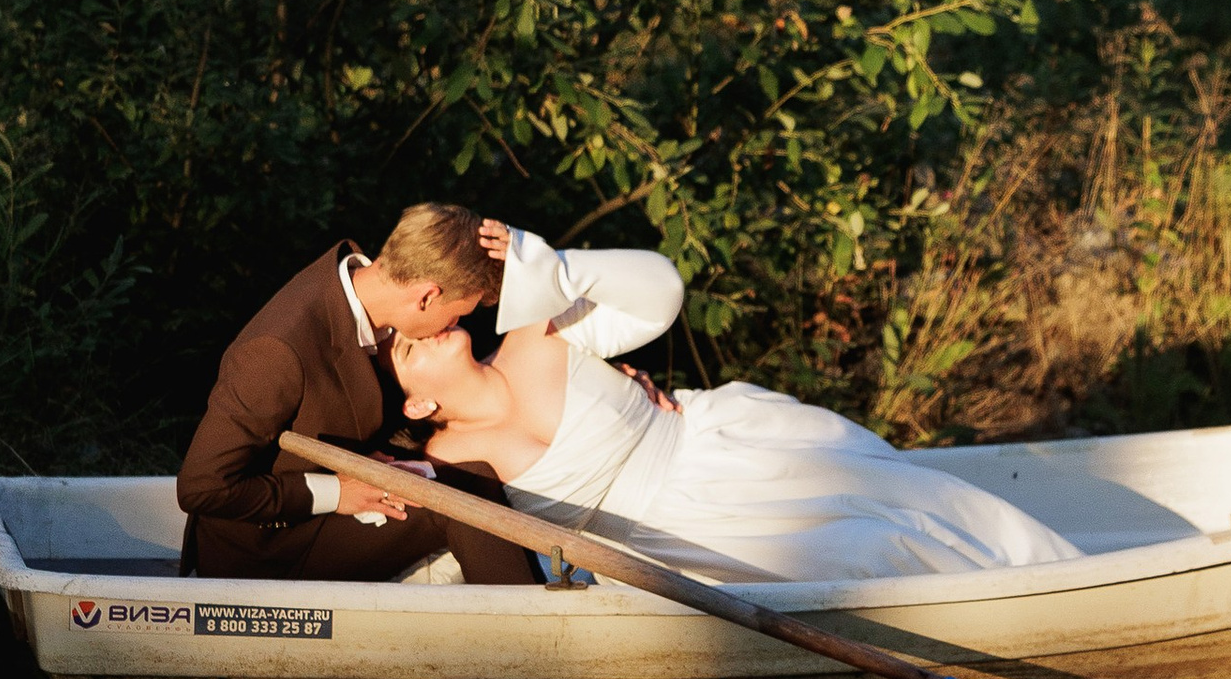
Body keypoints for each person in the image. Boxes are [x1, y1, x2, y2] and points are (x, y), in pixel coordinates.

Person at [397, 225, 1086, 583]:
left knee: (919, 496)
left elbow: (660, 290)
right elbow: (465, 555)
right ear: (419, 406)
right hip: (685, 531)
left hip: (722, 437)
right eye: (402, 349)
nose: (422, 331)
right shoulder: (449, 458)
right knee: (867, 549)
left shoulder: (532, 330)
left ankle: (1062, 583)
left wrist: (554, 267)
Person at [175, 205, 528, 585]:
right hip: (267, 551)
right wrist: (337, 492)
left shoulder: (356, 286)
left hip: (334, 494)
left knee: (474, 477)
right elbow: (202, 488)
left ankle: (532, 606)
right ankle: (532, 636)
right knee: (459, 506)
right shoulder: (276, 353)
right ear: (426, 297)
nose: (454, 326)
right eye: (458, 314)